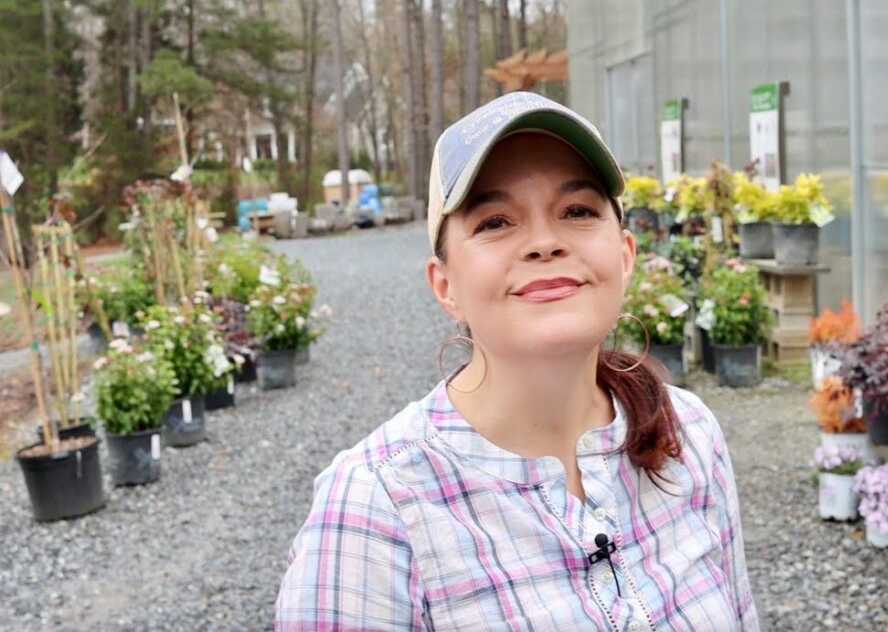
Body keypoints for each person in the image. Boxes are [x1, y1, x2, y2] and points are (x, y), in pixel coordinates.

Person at [275, 91, 758, 631]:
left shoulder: (686, 433)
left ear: (624, 256)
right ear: (446, 284)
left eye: (577, 211)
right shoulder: (377, 507)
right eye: (496, 221)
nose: (544, 242)